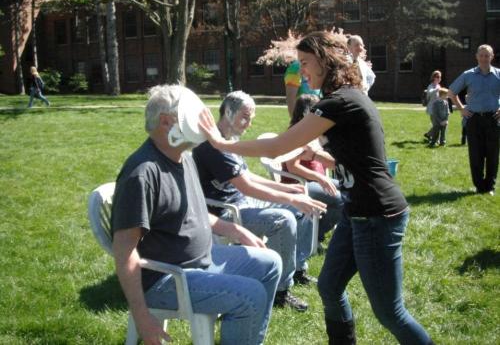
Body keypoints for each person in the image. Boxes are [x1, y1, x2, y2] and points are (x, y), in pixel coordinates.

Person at [199, 31, 435, 345]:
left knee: (390, 312)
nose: (302, 71)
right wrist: (320, 156)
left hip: (379, 215)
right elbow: (356, 157)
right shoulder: (344, 99)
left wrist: (221, 144)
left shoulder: (340, 102)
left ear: (327, 60)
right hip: (357, 212)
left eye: (306, 63)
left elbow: (278, 146)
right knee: (329, 287)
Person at [111, 84, 282, 345]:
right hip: (167, 278)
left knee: (271, 263)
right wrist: (142, 317)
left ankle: (241, 334)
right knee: (252, 296)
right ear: (167, 123)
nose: (205, 122)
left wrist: (235, 229)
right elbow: (125, 251)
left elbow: (197, 214)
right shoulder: (142, 173)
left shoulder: (185, 157)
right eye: (193, 116)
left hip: (202, 260)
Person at [192, 91, 326, 312]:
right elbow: (247, 186)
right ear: (227, 112)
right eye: (245, 117)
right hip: (226, 212)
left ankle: (297, 268)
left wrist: (286, 188)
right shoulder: (214, 147)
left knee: (300, 204)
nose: (249, 123)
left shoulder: (228, 140)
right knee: (283, 220)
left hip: (243, 202)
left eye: (251, 118)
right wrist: (291, 196)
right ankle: (281, 292)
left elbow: (248, 176)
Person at [282, 94, 344, 248]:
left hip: (315, 181)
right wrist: (319, 177)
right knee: (341, 200)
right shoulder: (296, 134)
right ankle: (315, 236)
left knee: (350, 190)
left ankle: (316, 233)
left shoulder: (313, 132)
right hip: (300, 185)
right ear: (308, 113)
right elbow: (292, 166)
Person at [449, 44, 500, 196]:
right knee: (476, 154)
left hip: (493, 119)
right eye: (482, 55)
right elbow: (451, 92)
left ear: (492, 57)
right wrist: (462, 109)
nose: (484, 58)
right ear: (477, 57)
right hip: (474, 120)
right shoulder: (468, 75)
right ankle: (479, 186)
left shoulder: (498, 74)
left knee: (492, 154)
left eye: (487, 55)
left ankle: (490, 186)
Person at [424, 70, 442, 140]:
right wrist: (436, 90)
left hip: (438, 108)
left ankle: (429, 135)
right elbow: (429, 93)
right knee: (436, 125)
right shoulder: (430, 86)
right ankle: (434, 139)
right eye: (437, 77)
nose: (439, 79)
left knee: (438, 124)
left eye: (440, 77)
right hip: (432, 108)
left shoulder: (439, 86)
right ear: (434, 77)